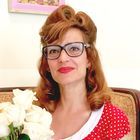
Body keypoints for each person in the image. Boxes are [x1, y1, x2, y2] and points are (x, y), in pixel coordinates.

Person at [36, 5, 130, 140]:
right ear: (47, 64)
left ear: (89, 59)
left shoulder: (112, 120)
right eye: (54, 50)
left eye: (74, 48)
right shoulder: (32, 114)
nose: (62, 58)